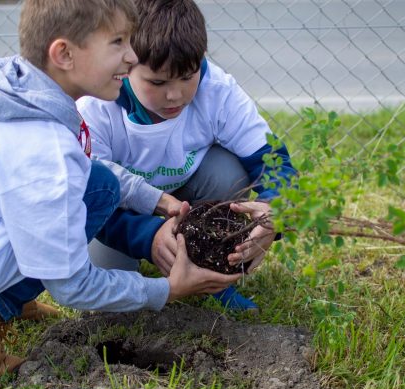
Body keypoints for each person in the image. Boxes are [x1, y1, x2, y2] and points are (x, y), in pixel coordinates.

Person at [0, 0, 241, 384]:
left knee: (94, 184)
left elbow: (79, 167)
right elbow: (71, 284)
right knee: (92, 195)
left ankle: (8, 299)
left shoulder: (16, 90)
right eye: (119, 42)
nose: (132, 56)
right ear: (64, 54)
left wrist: (155, 199)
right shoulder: (42, 148)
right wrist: (167, 290)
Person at [77, 0, 297, 311]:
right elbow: (87, 197)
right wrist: (148, 237)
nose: (175, 95)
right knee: (111, 302)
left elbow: (273, 161)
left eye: (187, 77)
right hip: (121, 205)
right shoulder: (95, 104)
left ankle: (212, 271)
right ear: (126, 64)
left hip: (189, 192)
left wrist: (275, 213)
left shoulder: (218, 90)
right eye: (158, 82)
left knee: (229, 172)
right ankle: (157, 258)